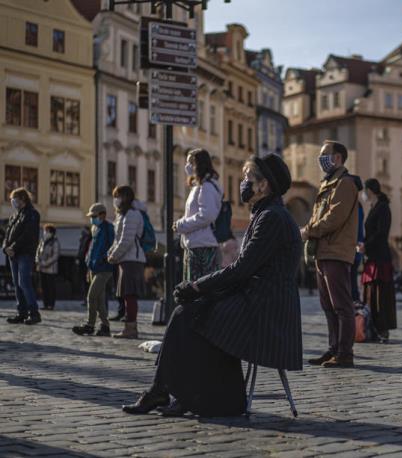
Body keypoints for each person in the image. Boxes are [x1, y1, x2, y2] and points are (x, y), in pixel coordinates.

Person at [122, 154, 302, 417]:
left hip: (266, 312)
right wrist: (202, 290)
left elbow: (242, 269)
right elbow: (244, 269)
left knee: (189, 314)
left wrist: (198, 286)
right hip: (258, 301)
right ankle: (179, 393)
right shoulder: (267, 213)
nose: (243, 182)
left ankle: (170, 391)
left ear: (264, 185)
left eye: (247, 177)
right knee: (193, 311)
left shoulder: (272, 217)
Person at [302, 140, 360, 368]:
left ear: (337, 158)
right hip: (324, 251)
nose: (321, 159)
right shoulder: (328, 183)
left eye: (325, 154)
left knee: (342, 306)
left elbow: (334, 218)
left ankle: (345, 353)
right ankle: (333, 348)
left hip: (336, 251)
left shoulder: (345, 184)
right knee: (328, 306)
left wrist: (308, 230)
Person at [173, 149, 223, 282]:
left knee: (198, 288)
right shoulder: (200, 186)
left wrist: (181, 225)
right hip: (197, 244)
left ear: (199, 164)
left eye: (190, 162)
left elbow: (206, 215)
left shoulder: (206, 187)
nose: (187, 166)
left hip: (201, 247)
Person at [360, 178, 397, 343]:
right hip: (371, 256)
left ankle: (383, 329)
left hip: (380, 258)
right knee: (370, 295)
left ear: (369, 190)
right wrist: (364, 245)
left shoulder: (383, 207)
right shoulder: (373, 207)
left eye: (364, 190)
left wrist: (366, 246)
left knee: (380, 296)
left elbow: (381, 233)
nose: (363, 193)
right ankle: (373, 327)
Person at [107, 186, 146, 339]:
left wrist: (114, 255)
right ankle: (129, 328)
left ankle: (131, 329)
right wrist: (111, 252)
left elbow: (126, 240)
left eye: (117, 196)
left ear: (124, 197)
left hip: (132, 260)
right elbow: (118, 239)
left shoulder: (132, 214)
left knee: (130, 296)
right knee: (126, 296)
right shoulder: (123, 215)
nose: (115, 199)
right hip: (126, 259)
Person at [73, 203, 115, 337]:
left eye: (94, 216)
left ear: (103, 215)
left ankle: (90, 325)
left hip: (104, 268)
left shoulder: (109, 228)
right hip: (94, 268)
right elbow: (91, 249)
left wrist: (104, 259)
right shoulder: (94, 228)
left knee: (91, 296)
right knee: (100, 299)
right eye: (91, 216)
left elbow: (112, 246)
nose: (92, 218)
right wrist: (89, 267)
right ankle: (105, 326)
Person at [4, 188, 42, 325]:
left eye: (14, 199)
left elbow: (28, 235)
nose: (12, 202)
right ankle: (22, 313)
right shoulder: (14, 215)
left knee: (24, 283)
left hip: (25, 253)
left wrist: (13, 247)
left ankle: (34, 313)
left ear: (23, 199)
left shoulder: (32, 214)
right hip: (13, 254)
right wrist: (5, 248)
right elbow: (7, 234)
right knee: (17, 284)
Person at [35, 224, 60, 311]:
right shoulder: (42, 241)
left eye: (46, 231)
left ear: (51, 232)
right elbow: (38, 252)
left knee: (51, 287)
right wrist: (37, 261)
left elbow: (55, 256)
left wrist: (45, 263)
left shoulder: (55, 242)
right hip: (42, 268)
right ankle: (45, 304)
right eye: (45, 231)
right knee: (44, 287)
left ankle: (51, 305)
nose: (45, 232)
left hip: (51, 269)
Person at [352, 176, 365, 303]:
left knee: (350, 278)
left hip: (352, 247)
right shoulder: (359, 205)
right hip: (357, 247)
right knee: (352, 277)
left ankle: (355, 303)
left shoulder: (354, 206)